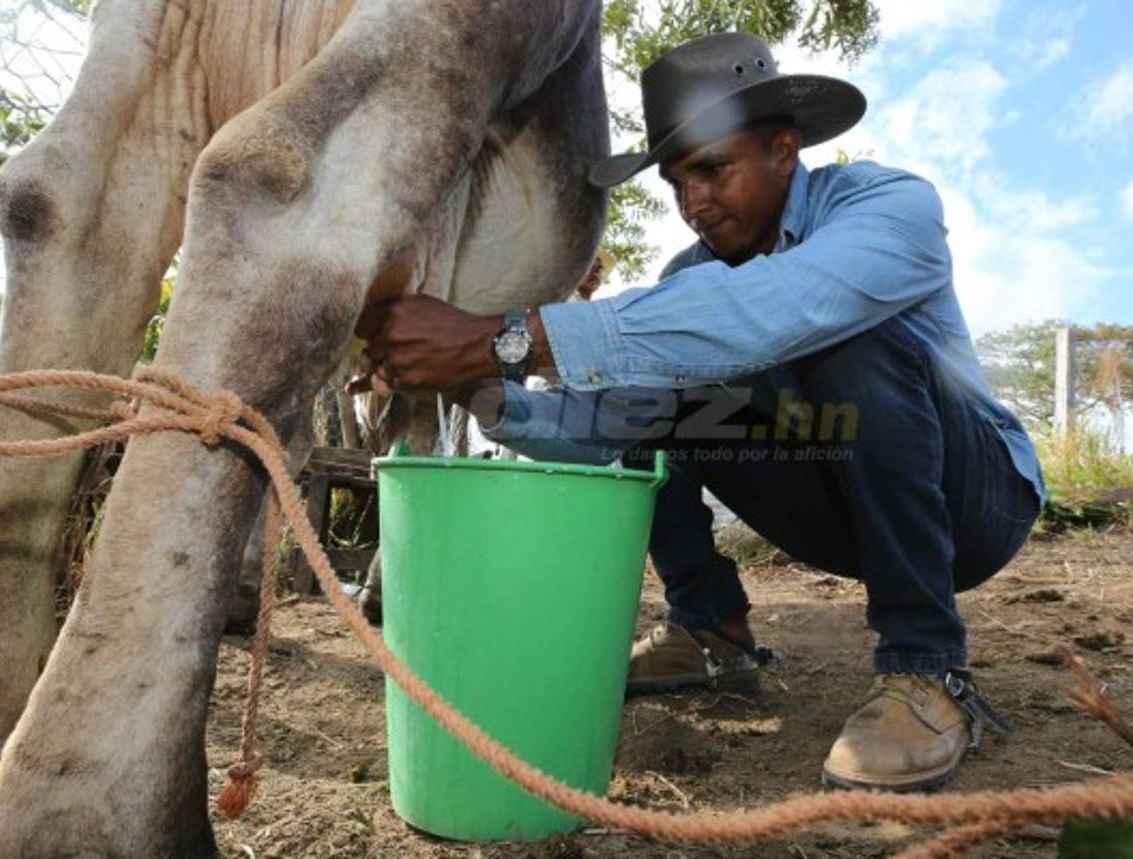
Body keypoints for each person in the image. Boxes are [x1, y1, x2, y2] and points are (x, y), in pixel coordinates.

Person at [355, 32, 1044, 793]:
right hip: (838, 503)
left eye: (713, 170)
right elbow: (602, 429)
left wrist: (507, 338)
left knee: (841, 341)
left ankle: (926, 668)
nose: (694, 205)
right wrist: (471, 382)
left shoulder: (888, 205)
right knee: (665, 376)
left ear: (784, 149)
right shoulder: (690, 275)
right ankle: (712, 631)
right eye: (678, 184)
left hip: (978, 505)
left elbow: (788, 307)